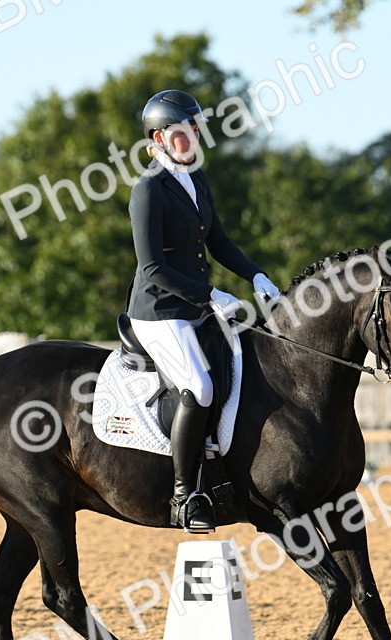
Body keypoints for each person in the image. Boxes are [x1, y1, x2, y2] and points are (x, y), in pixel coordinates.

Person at [126, 89, 283, 533]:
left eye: (195, 129)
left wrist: (254, 274)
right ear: (158, 138)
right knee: (201, 387)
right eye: (182, 132)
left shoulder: (196, 180)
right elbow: (152, 266)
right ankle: (184, 495)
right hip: (160, 311)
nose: (192, 137)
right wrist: (210, 295)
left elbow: (218, 242)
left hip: (195, 304)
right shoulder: (148, 190)